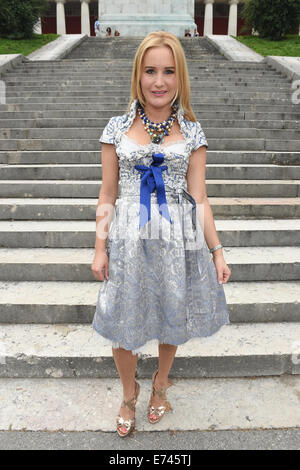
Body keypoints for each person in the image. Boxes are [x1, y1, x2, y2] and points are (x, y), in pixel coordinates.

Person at [91, 31, 231, 438]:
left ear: (179, 77)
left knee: (172, 316)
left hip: (178, 239)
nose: (159, 81)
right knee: (120, 319)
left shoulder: (192, 131)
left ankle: (161, 385)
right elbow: (107, 192)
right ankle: (128, 391)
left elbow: (200, 196)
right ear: (138, 75)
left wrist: (217, 251)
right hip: (128, 239)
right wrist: (100, 248)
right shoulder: (116, 128)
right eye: (150, 71)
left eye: (168, 71)